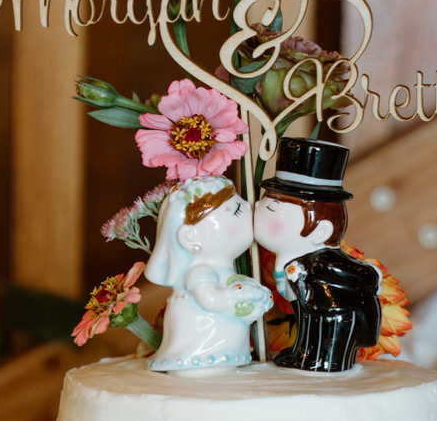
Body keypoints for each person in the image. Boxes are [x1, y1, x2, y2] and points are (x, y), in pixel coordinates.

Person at [254, 137, 381, 373]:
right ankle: (304, 353)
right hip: (316, 313)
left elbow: (352, 278)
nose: (258, 210)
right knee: (307, 323)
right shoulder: (297, 260)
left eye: (273, 208)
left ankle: (320, 360)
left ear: (320, 230)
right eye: (265, 202)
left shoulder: (319, 264)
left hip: (335, 318)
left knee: (319, 330)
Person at [145, 175, 272, 373]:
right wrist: (235, 299)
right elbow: (211, 300)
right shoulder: (200, 271)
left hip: (225, 346)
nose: (248, 208)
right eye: (236, 211)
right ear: (190, 238)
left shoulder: (223, 268)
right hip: (204, 346)